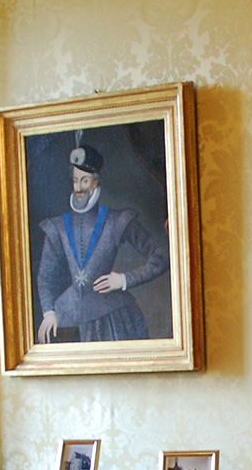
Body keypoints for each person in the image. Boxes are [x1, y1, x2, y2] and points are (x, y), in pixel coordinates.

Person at [36, 142, 170, 343]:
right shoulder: (58, 227)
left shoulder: (116, 221)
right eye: (75, 181)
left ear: (95, 183)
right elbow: (46, 278)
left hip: (111, 317)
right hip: (67, 316)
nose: (78, 187)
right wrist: (48, 312)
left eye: (84, 180)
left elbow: (162, 256)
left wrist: (123, 280)